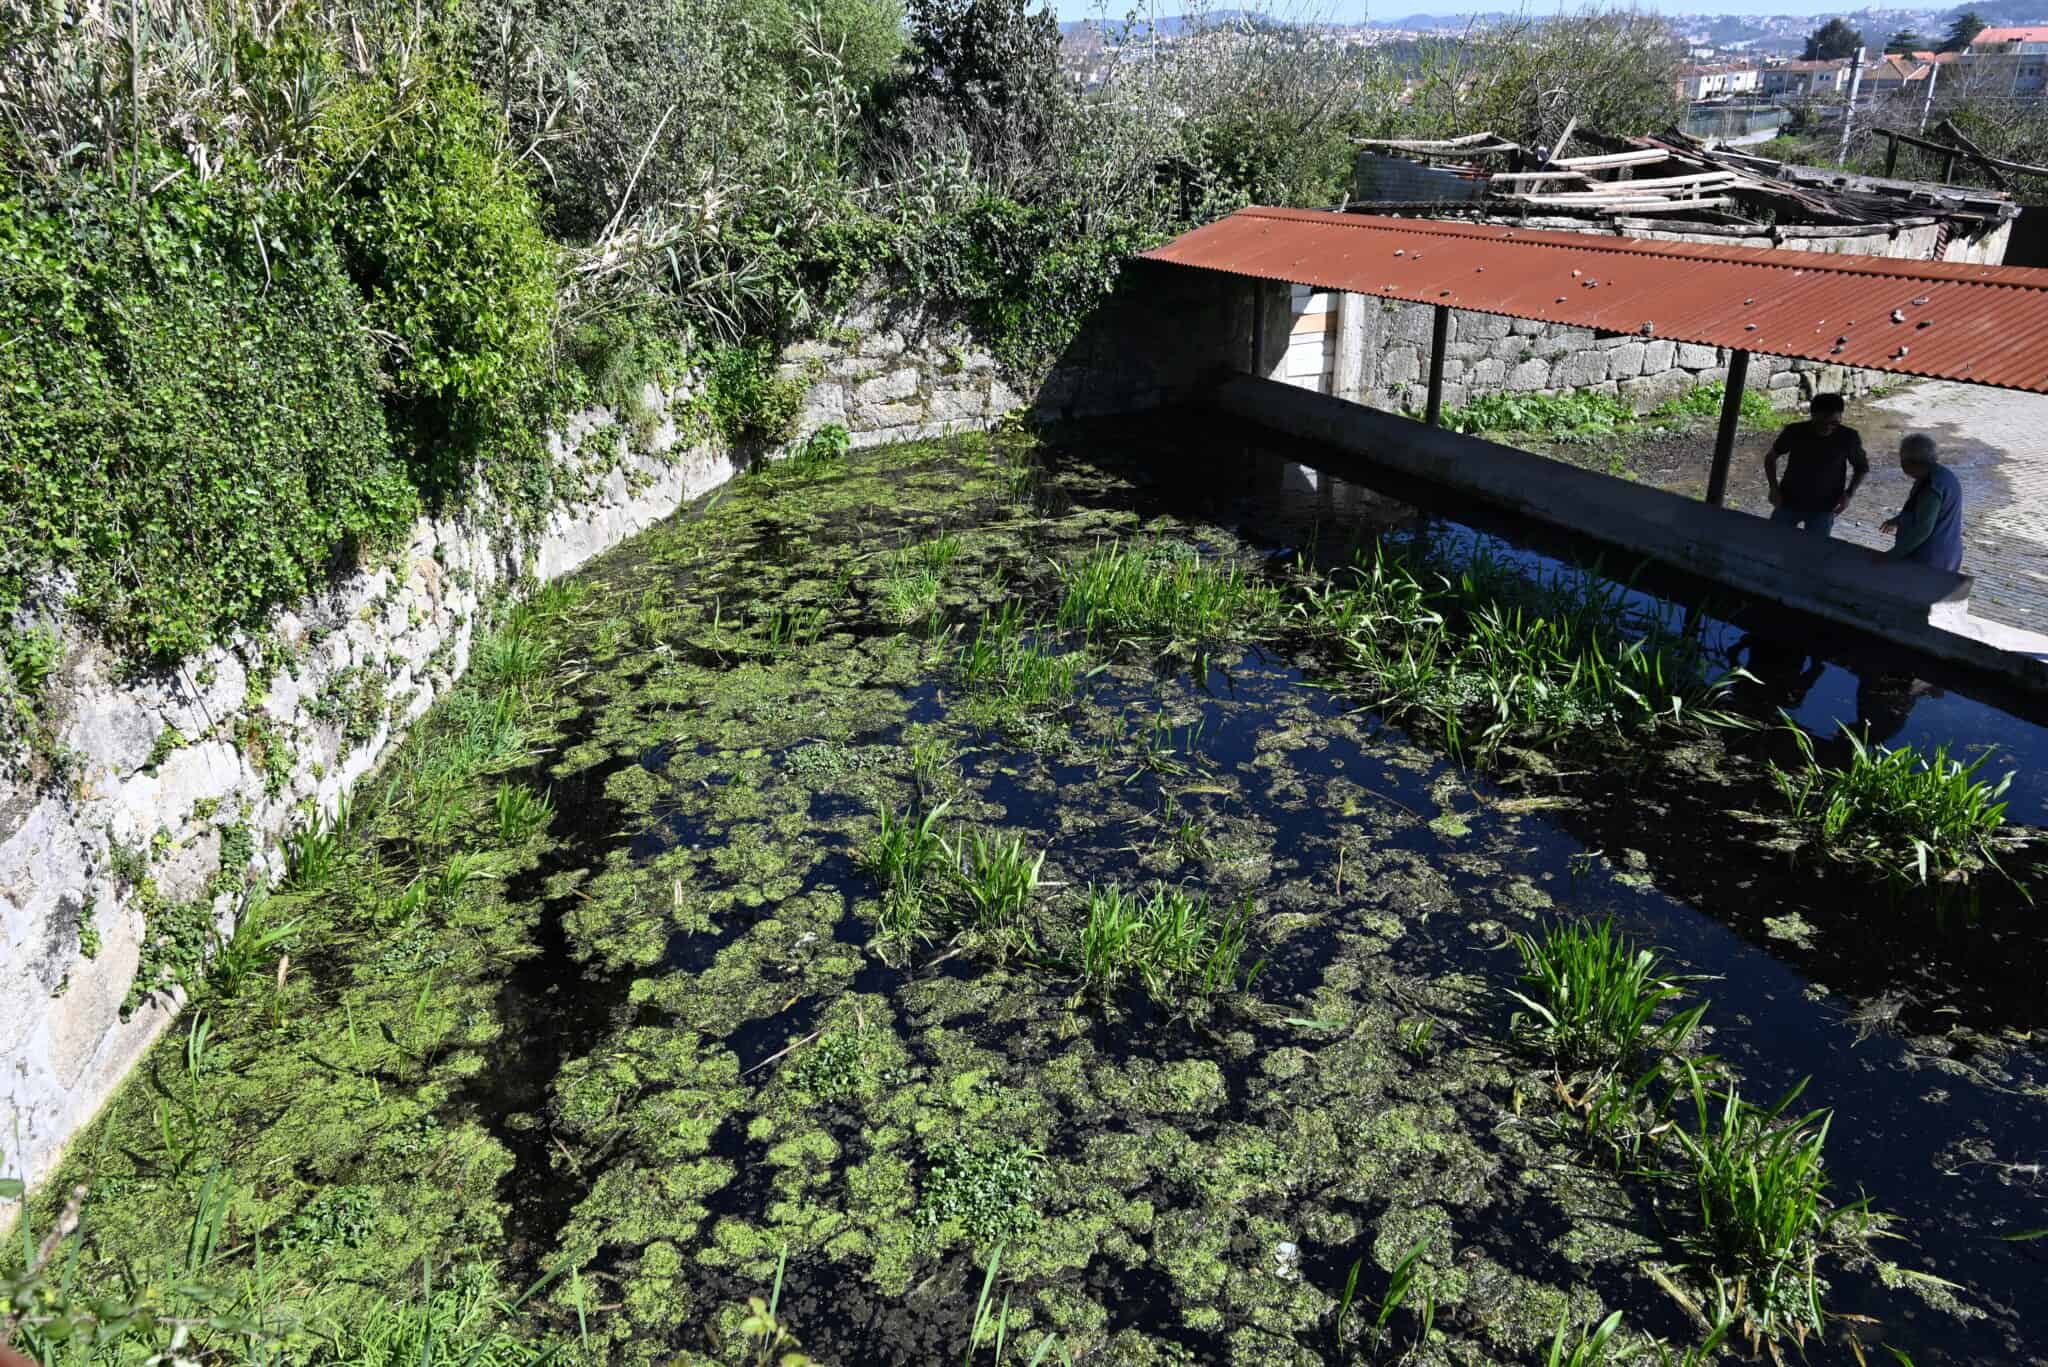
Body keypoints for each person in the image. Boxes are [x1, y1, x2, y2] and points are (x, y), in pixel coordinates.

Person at [1764, 393, 1868, 538]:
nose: (1827, 428)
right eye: (1821, 422)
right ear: (1812, 415)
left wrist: (1849, 494)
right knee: (1773, 540)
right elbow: (1770, 458)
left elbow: (1862, 467)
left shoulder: (1848, 437)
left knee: (1814, 551)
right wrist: (1773, 489)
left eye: (1834, 423)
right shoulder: (1795, 431)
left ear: (1841, 418)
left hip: (1825, 507)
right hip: (1788, 500)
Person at [1880, 433, 1965, 572]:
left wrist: (1891, 555)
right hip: (1948, 553)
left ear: (1911, 463)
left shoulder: (1932, 487)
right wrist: (1898, 520)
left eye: (1902, 460)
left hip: (1930, 558)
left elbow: (1923, 529)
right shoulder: (1943, 475)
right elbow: (1923, 513)